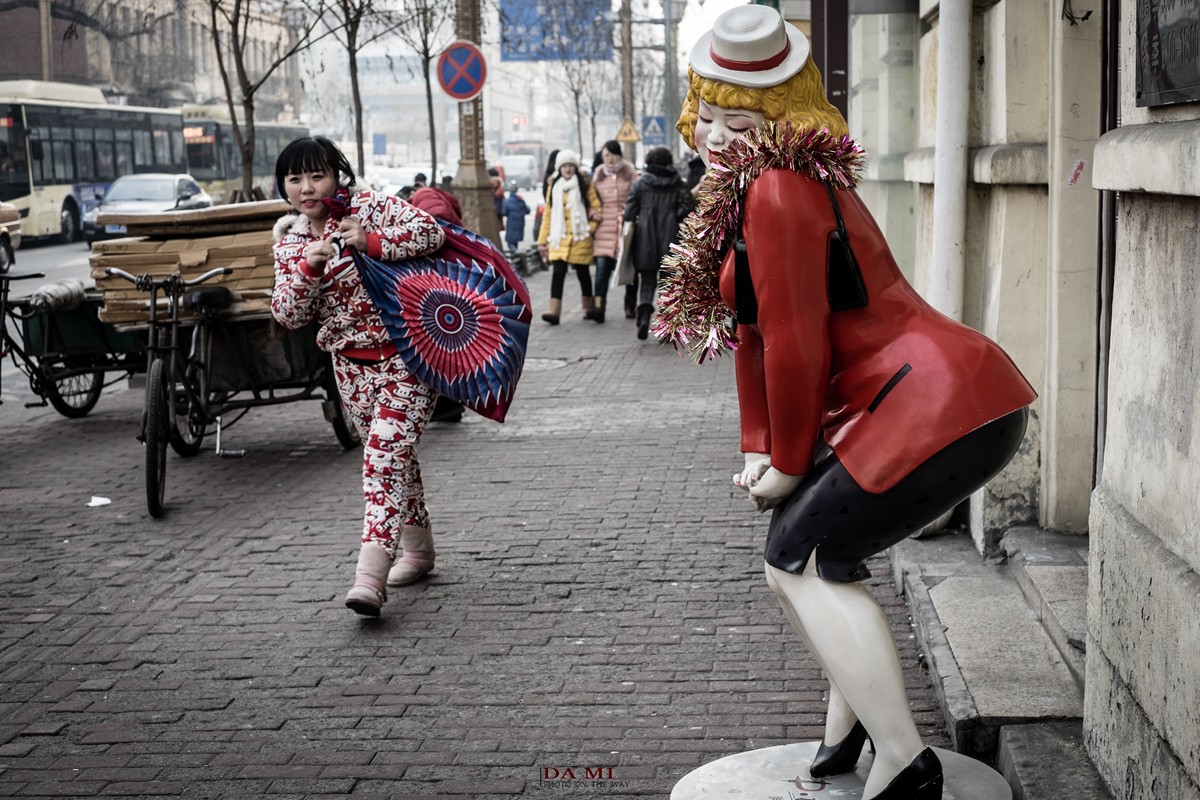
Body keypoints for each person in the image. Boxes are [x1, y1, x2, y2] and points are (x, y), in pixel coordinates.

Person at [657, 7, 1037, 799]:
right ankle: (850, 729)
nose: (720, 134)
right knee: (816, 556)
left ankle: (905, 762)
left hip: (932, 401)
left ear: (783, 118)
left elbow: (798, 340)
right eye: (711, 115)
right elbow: (758, 335)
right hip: (940, 396)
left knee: (798, 562)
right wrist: (759, 448)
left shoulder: (778, 189)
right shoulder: (762, 190)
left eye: (745, 119)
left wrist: (789, 462)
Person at [271, 136, 447, 618]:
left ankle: (369, 575)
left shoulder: (369, 206)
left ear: (337, 175)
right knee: (395, 458)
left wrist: (370, 241)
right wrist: (308, 270)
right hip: (349, 370)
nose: (307, 188)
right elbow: (287, 315)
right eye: (295, 179)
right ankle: (419, 552)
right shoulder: (291, 244)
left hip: (409, 359)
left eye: (317, 175)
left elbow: (431, 234)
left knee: (382, 458)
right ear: (284, 187)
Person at [622, 145, 693, 340]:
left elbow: (629, 213)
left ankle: (644, 314)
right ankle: (665, 328)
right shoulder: (677, 182)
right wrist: (674, 215)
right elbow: (688, 207)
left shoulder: (640, 184)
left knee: (647, 281)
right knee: (667, 284)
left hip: (644, 239)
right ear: (668, 162)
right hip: (671, 237)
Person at [536, 149, 601, 325]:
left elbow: (597, 209)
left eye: (571, 165)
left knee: (583, 274)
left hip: (581, 237)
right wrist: (542, 239)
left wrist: (590, 228)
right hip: (559, 238)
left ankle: (588, 309)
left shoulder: (584, 184)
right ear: (559, 168)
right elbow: (548, 214)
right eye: (564, 166)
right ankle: (554, 311)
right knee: (558, 273)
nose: (567, 169)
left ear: (575, 167)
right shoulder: (553, 187)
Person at [587, 140, 637, 323]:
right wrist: (592, 213)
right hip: (604, 229)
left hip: (626, 228)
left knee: (629, 268)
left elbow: (637, 195)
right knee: (601, 270)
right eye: (606, 155)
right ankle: (599, 308)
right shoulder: (598, 175)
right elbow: (591, 200)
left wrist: (630, 213)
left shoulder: (629, 173)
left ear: (619, 155)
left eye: (613, 155)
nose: (609, 159)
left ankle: (630, 306)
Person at [501, 179, 531, 254]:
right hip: (520, 224)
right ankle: (516, 255)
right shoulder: (521, 201)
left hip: (511, 224)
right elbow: (527, 210)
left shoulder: (507, 201)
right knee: (515, 242)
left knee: (510, 243)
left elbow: (503, 212)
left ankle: (517, 255)